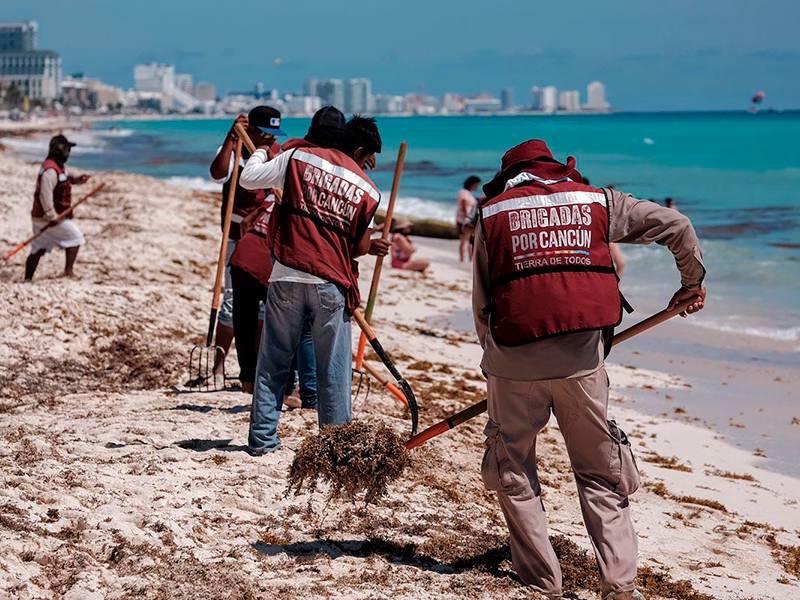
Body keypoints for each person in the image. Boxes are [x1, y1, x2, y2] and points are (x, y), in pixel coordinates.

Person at [473, 140, 706, 600]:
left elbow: (483, 304)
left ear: (508, 178)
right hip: (582, 360)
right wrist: (690, 284)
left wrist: (495, 367)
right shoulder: (598, 201)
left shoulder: (492, 213)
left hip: (512, 359)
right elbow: (677, 225)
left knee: (513, 467)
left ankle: (541, 583)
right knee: (599, 471)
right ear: (559, 169)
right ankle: (619, 587)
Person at [239, 115, 390, 455]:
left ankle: (262, 441)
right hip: (331, 284)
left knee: (273, 362)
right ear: (359, 149)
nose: (370, 166)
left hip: (287, 274)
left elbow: (249, 179)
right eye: (369, 159)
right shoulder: (368, 190)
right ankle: (335, 446)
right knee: (334, 369)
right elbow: (359, 247)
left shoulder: (298, 158)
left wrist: (262, 151)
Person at [229, 106, 346, 399]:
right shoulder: (297, 158)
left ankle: (271, 387)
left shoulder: (291, 154)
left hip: (266, 257)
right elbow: (242, 180)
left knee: (276, 327)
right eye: (265, 134)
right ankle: (283, 388)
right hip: (265, 260)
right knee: (285, 329)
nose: (270, 138)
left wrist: (263, 150)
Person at [206, 106, 285, 381]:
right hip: (235, 237)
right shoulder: (236, 154)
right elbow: (217, 173)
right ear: (250, 130)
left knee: (263, 305)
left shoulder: (275, 156)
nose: (270, 141)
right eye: (265, 134)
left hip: (265, 241)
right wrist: (231, 137)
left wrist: (259, 211)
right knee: (231, 302)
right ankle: (218, 365)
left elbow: (280, 195)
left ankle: (253, 367)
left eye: (274, 135)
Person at [25, 135, 92, 281]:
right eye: (67, 149)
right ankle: (68, 272)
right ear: (59, 150)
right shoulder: (50, 170)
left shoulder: (58, 166)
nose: (69, 152)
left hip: (44, 217)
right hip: (48, 218)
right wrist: (51, 215)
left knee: (38, 248)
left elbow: (65, 179)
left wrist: (77, 180)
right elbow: (45, 194)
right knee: (76, 237)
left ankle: (27, 278)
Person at [456, 175, 480, 262]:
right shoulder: (465, 193)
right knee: (467, 241)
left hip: (461, 219)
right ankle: (465, 260)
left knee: (467, 241)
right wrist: (468, 218)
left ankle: (467, 259)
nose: (477, 187)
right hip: (465, 220)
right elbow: (464, 206)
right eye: (476, 185)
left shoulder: (463, 192)